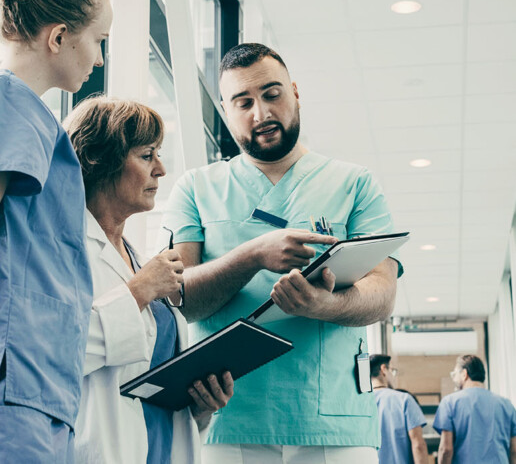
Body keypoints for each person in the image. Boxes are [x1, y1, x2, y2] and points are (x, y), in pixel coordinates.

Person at [162, 42, 402, 464]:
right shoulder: (195, 189)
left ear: (294, 93)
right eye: (244, 102)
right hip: (227, 416)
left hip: (334, 421)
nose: (261, 113)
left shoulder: (355, 184)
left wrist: (324, 304)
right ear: (225, 109)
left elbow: (382, 295)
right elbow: (183, 299)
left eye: (272, 95)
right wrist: (253, 254)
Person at [65, 96, 235, 464]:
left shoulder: (139, 259)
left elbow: (152, 385)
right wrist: (139, 291)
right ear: (101, 161)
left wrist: (200, 406)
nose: (161, 168)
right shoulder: (65, 251)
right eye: (146, 155)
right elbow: (57, 353)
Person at [0, 0, 112, 461]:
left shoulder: (31, 118)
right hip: (17, 386)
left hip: (36, 386)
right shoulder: (12, 106)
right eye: (99, 41)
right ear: (60, 36)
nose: (100, 59)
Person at [434, 354, 516, 464]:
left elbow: (446, 450)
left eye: (454, 374)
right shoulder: (506, 405)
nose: (454, 378)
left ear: (464, 374)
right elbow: (514, 450)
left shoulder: (450, 403)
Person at [370, 354, 428, 464]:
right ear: (383, 369)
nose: (394, 376)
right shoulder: (404, 400)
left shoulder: (359, 404)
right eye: (393, 371)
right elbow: (418, 445)